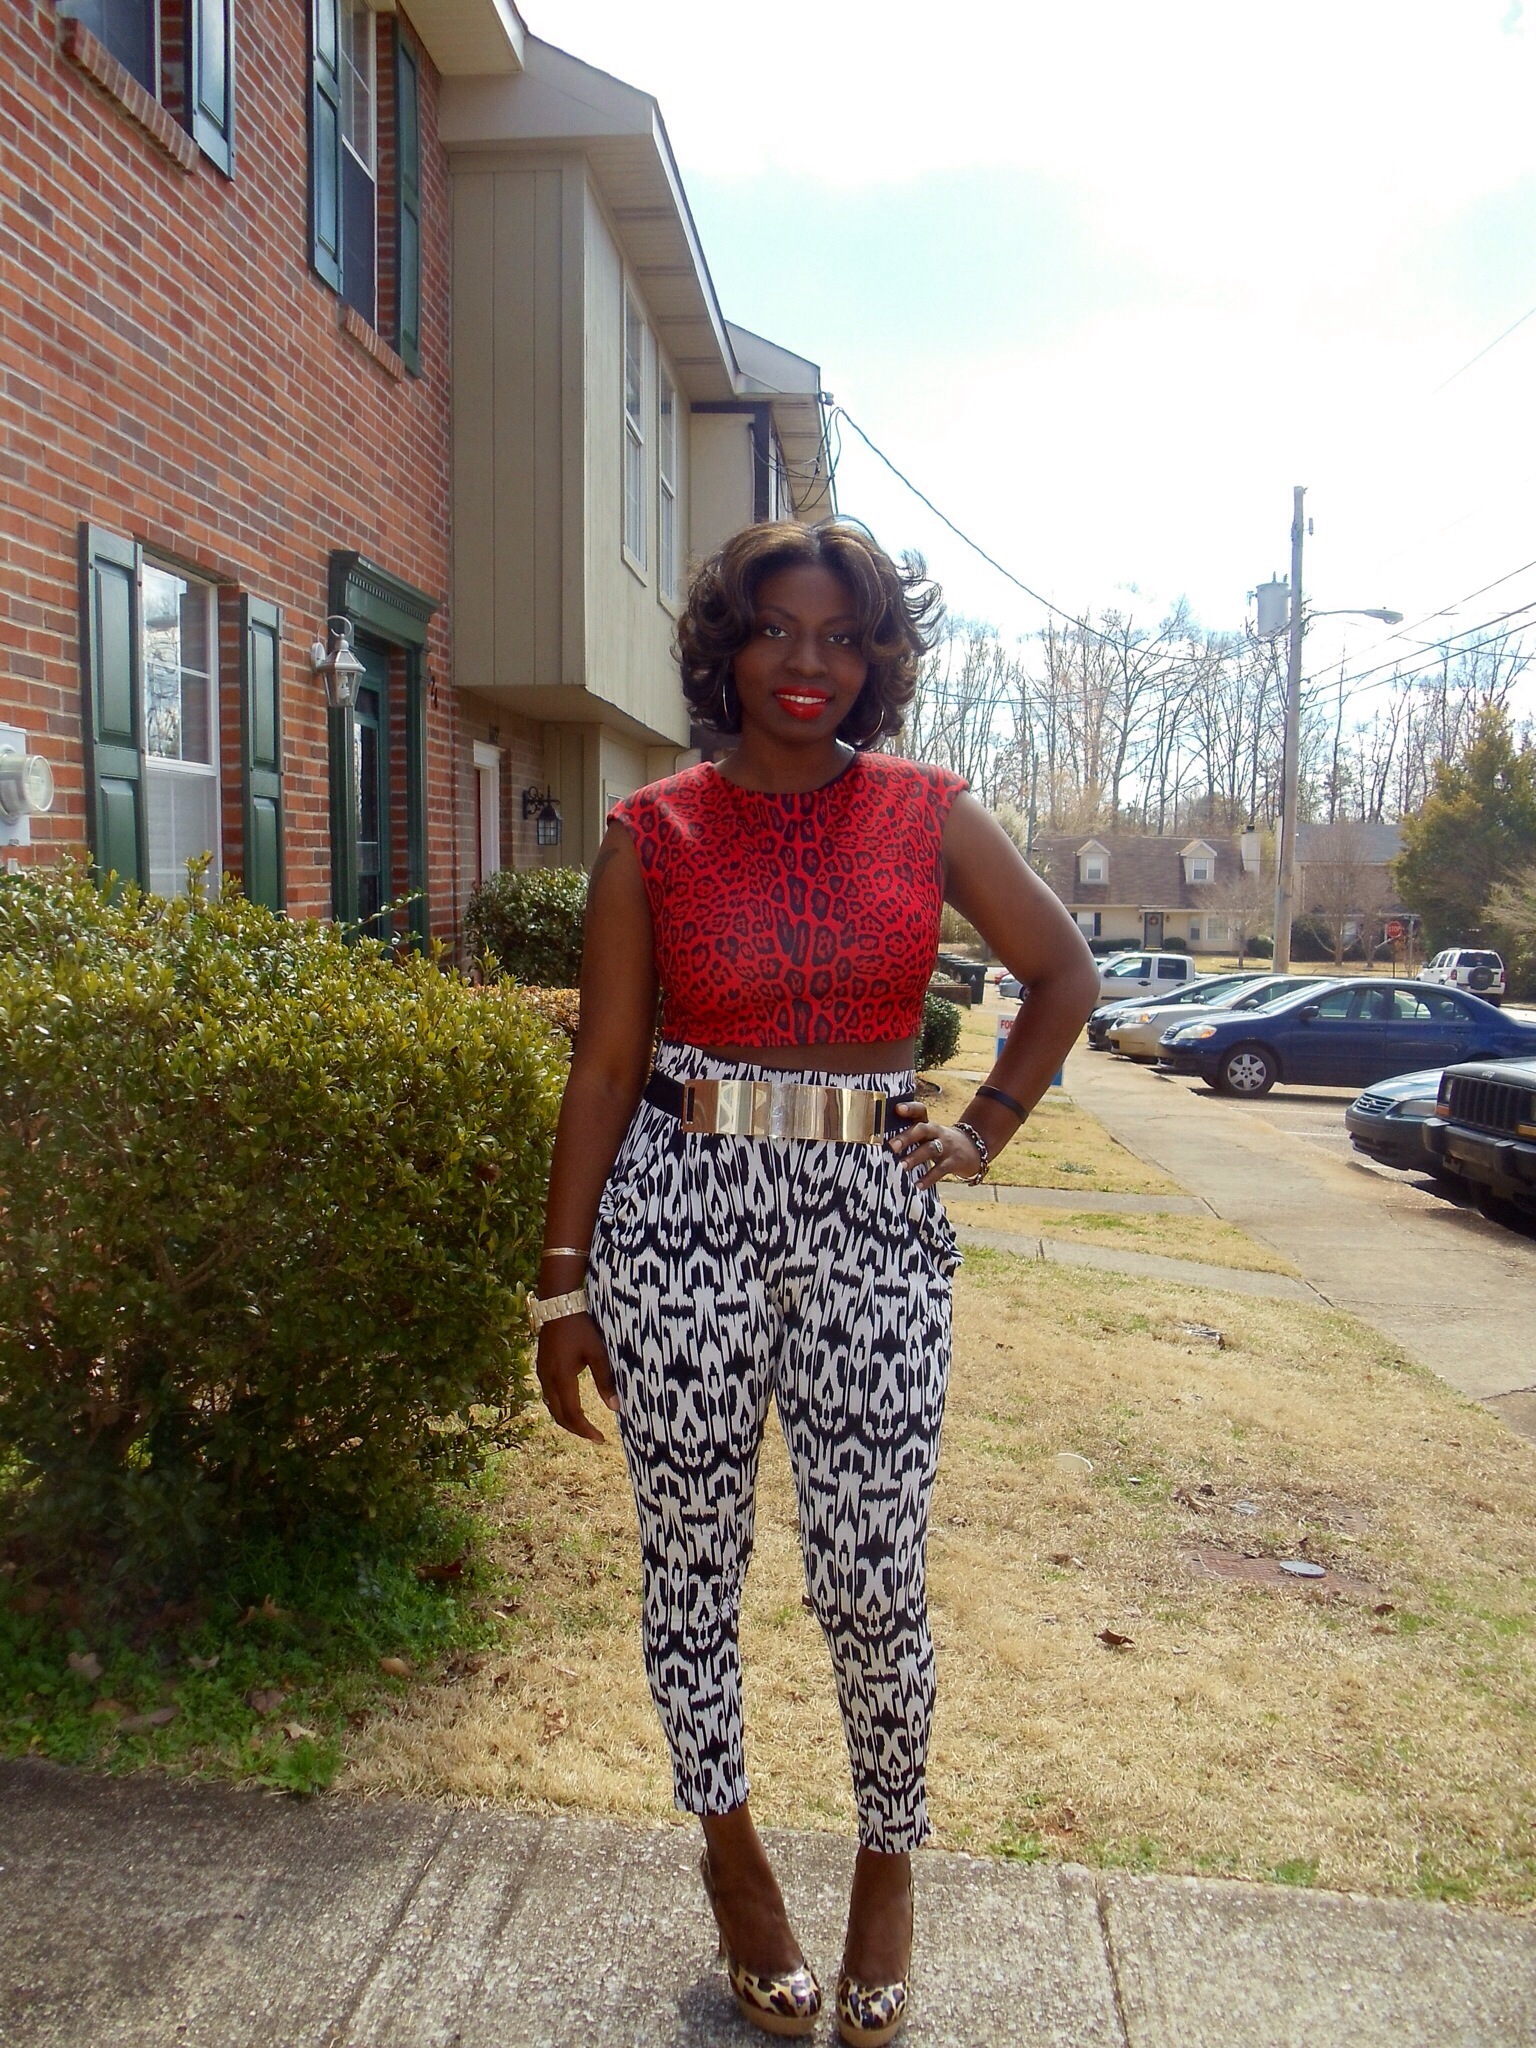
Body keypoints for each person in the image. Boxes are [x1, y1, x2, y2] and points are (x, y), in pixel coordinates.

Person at [529, 520, 1099, 2044]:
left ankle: (886, 1869)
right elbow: (603, 1067)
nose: (810, 662)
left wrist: (983, 1128)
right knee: (690, 1560)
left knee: (871, 1574)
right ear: (727, 645)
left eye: (844, 637)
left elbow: (1065, 974)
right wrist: (561, 1284)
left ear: (878, 660)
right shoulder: (652, 830)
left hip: (870, 1218)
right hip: (682, 1214)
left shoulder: (928, 812)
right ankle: (733, 1866)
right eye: (779, 629)